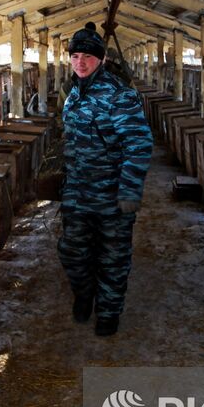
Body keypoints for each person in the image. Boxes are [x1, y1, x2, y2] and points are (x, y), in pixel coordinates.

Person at [56, 22, 153, 336]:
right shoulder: (73, 94)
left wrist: (129, 191)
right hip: (77, 193)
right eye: (75, 56)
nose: (80, 62)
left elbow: (139, 145)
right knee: (72, 251)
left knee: (112, 257)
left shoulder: (119, 96)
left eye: (87, 56)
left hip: (112, 194)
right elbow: (69, 141)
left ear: (100, 59)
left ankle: (109, 313)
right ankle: (84, 294)